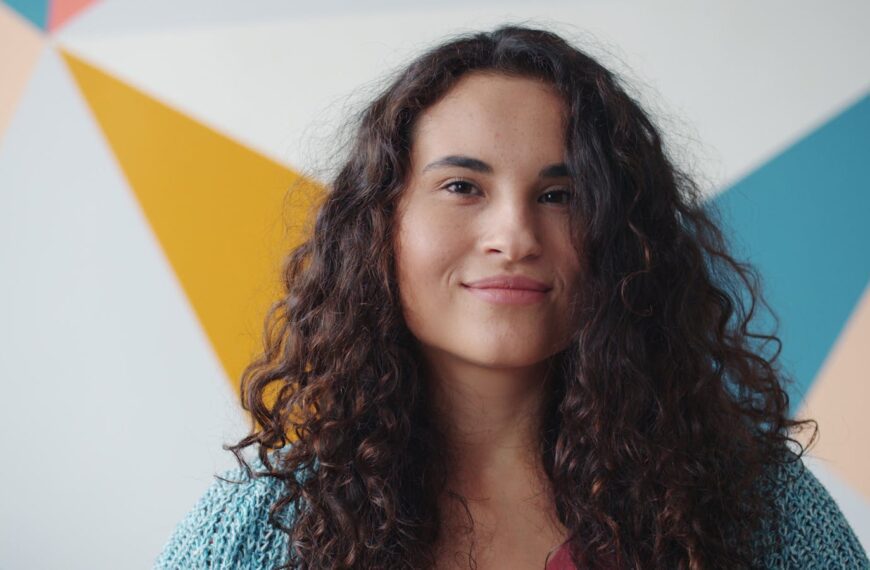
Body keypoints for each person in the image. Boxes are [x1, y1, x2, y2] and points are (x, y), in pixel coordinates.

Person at [154, 25, 869, 569]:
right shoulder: (261, 525)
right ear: (379, 225)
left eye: (561, 195)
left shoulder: (761, 512)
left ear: (624, 240)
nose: (515, 236)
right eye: (462, 186)